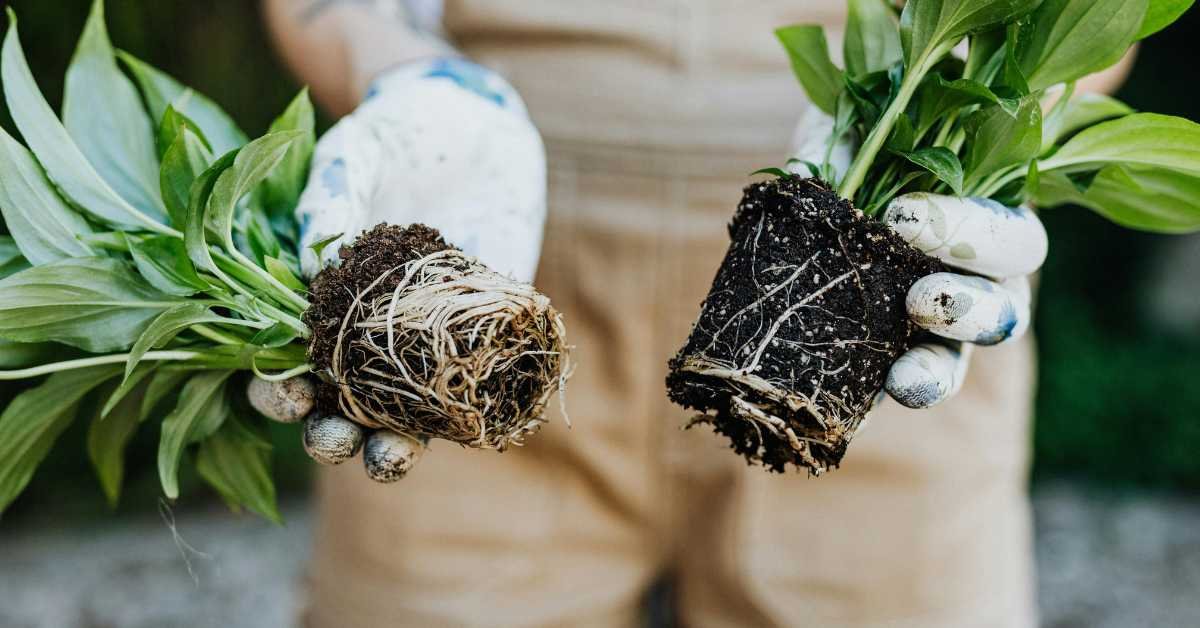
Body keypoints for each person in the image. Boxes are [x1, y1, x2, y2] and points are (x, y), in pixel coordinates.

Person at [258, 1, 1134, 626]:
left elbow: (1089, 24)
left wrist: (962, 136)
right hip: (492, 270)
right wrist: (405, 74)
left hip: (859, 285)